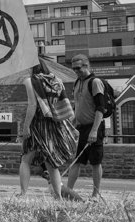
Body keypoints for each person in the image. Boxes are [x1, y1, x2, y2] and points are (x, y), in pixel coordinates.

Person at [19, 59, 78, 199]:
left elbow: (32, 105)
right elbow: (64, 102)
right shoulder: (57, 80)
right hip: (54, 124)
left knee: (26, 159)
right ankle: (58, 196)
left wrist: (26, 126)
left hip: (37, 124)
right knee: (52, 162)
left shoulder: (31, 81)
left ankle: (23, 194)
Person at [67, 54, 105, 199]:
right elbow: (77, 106)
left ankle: (95, 195)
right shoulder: (77, 83)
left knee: (95, 162)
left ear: (86, 66)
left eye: (78, 68)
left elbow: (100, 108)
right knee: (76, 160)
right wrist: (72, 125)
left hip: (93, 126)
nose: (76, 71)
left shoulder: (95, 82)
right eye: (74, 69)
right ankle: (68, 191)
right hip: (80, 127)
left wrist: (94, 130)